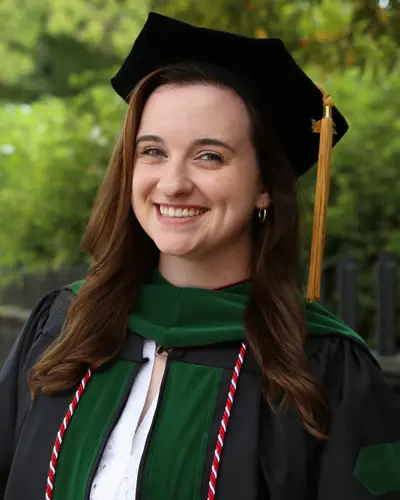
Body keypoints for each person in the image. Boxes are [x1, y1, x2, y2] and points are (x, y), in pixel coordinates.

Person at [0, 12, 399, 500]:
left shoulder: (323, 366)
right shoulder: (64, 326)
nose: (172, 183)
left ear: (265, 187)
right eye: (153, 152)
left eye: (209, 156)